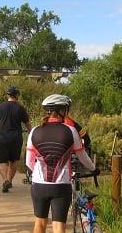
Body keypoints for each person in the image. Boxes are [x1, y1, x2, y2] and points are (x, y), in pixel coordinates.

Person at [26, 94, 99, 233]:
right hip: (61, 185)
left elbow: (29, 162)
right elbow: (82, 156)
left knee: (40, 223)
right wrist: (94, 169)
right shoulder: (70, 131)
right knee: (59, 226)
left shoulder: (34, 131)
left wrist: (39, 174)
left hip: (39, 185)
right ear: (61, 111)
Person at [0, 86, 32, 193]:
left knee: (2, 161)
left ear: (8, 95)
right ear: (16, 95)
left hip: (2, 137)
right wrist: (31, 133)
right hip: (16, 138)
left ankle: (5, 181)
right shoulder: (20, 108)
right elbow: (27, 124)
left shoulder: (0, 107)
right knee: (13, 161)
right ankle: (9, 180)